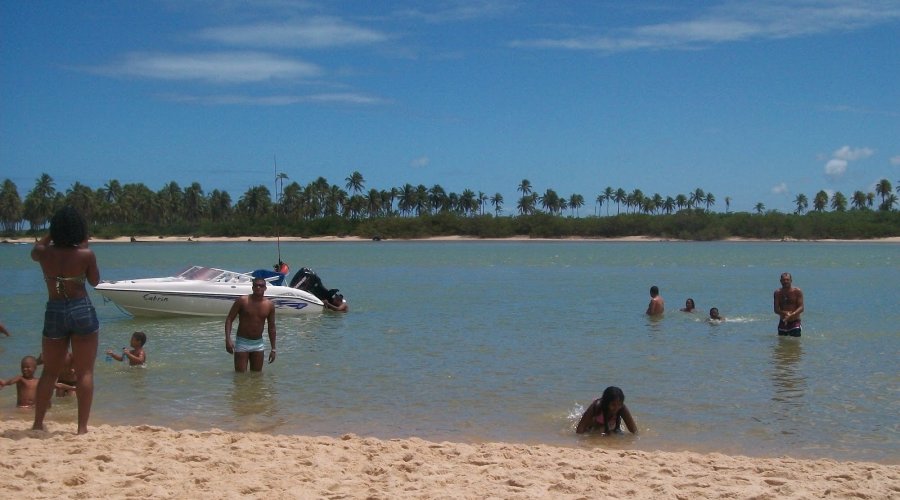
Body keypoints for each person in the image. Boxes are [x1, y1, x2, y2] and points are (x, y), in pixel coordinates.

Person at [31, 205, 100, 434]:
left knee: (49, 371)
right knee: (85, 372)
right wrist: (83, 245)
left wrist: (52, 233)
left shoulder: (44, 253)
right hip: (81, 308)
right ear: (80, 231)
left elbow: (36, 249)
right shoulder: (85, 254)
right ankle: (81, 428)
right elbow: (95, 281)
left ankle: (38, 423)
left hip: (55, 309)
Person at [225, 277, 277, 372]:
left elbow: (272, 327)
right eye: (255, 285)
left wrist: (273, 349)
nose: (258, 287)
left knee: (256, 376)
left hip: (258, 344)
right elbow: (229, 319)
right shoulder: (242, 301)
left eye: (261, 286)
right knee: (240, 376)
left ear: (265, 288)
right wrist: (228, 339)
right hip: (242, 342)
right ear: (252, 288)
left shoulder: (269, 305)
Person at [774, 272, 804, 337]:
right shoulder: (777, 293)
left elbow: (801, 308)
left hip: (795, 322)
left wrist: (792, 314)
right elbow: (776, 309)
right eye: (784, 280)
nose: (785, 281)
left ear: (791, 280)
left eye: (787, 280)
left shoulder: (797, 291)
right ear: (780, 281)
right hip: (783, 322)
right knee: (782, 345)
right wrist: (785, 313)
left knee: (795, 344)